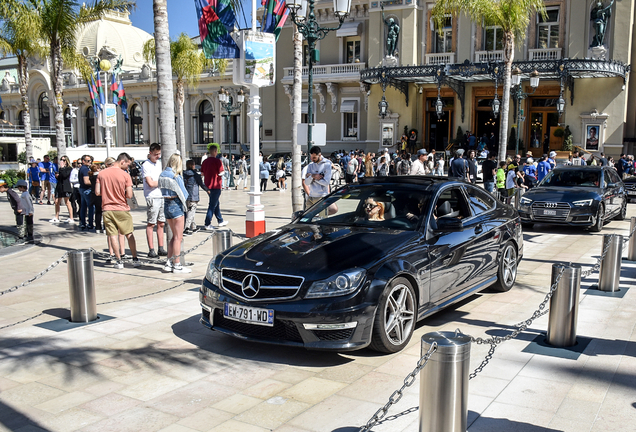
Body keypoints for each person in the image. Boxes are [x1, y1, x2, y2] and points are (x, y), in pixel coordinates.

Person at [95, 152, 141, 269]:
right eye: (128, 164)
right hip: (122, 208)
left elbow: (97, 192)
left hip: (107, 208)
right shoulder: (125, 175)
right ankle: (135, 258)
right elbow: (129, 194)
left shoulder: (101, 174)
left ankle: (118, 261)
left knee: (113, 235)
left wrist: (107, 192)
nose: (128, 167)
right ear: (122, 161)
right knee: (129, 233)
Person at [159, 154, 191, 274]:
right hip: (176, 205)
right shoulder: (175, 176)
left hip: (166, 204)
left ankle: (169, 261)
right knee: (178, 237)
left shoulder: (162, 174)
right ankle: (177, 264)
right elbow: (184, 193)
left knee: (173, 236)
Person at [142, 143, 167, 258]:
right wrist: (161, 182)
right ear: (150, 153)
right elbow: (150, 183)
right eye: (156, 154)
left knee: (161, 223)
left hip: (161, 195)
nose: (158, 156)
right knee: (151, 223)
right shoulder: (146, 165)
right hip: (152, 196)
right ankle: (151, 249)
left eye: (159, 154)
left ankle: (161, 247)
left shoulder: (160, 164)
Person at [201, 143, 228, 229]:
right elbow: (221, 172)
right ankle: (207, 223)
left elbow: (202, 173)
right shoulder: (218, 161)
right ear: (215, 152)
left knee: (216, 203)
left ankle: (220, 220)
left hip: (207, 185)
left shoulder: (205, 161)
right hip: (216, 185)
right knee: (212, 204)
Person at [183, 159, 209, 235]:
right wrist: (207, 190)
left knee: (190, 212)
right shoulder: (196, 175)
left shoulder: (183, 174)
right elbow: (201, 184)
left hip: (185, 196)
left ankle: (194, 227)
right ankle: (186, 228)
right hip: (193, 196)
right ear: (193, 165)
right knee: (191, 212)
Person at [50, 155, 74, 223]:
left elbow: (65, 176)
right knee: (57, 201)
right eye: (61, 160)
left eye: (63, 160)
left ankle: (71, 217)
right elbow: (61, 177)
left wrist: (63, 168)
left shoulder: (69, 168)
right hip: (60, 186)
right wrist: (57, 176)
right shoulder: (60, 168)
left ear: (66, 161)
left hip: (66, 187)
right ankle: (56, 217)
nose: (62, 161)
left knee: (67, 202)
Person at [78, 154, 94, 230]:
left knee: (83, 207)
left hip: (82, 189)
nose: (90, 162)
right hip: (87, 190)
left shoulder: (82, 168)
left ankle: (83, 223)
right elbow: (86, 181)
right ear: (83, 161)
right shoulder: (85, 169)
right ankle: (90, 223)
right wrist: (94, 183)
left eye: (90, 160)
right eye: (88, 161)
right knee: (90, 207)